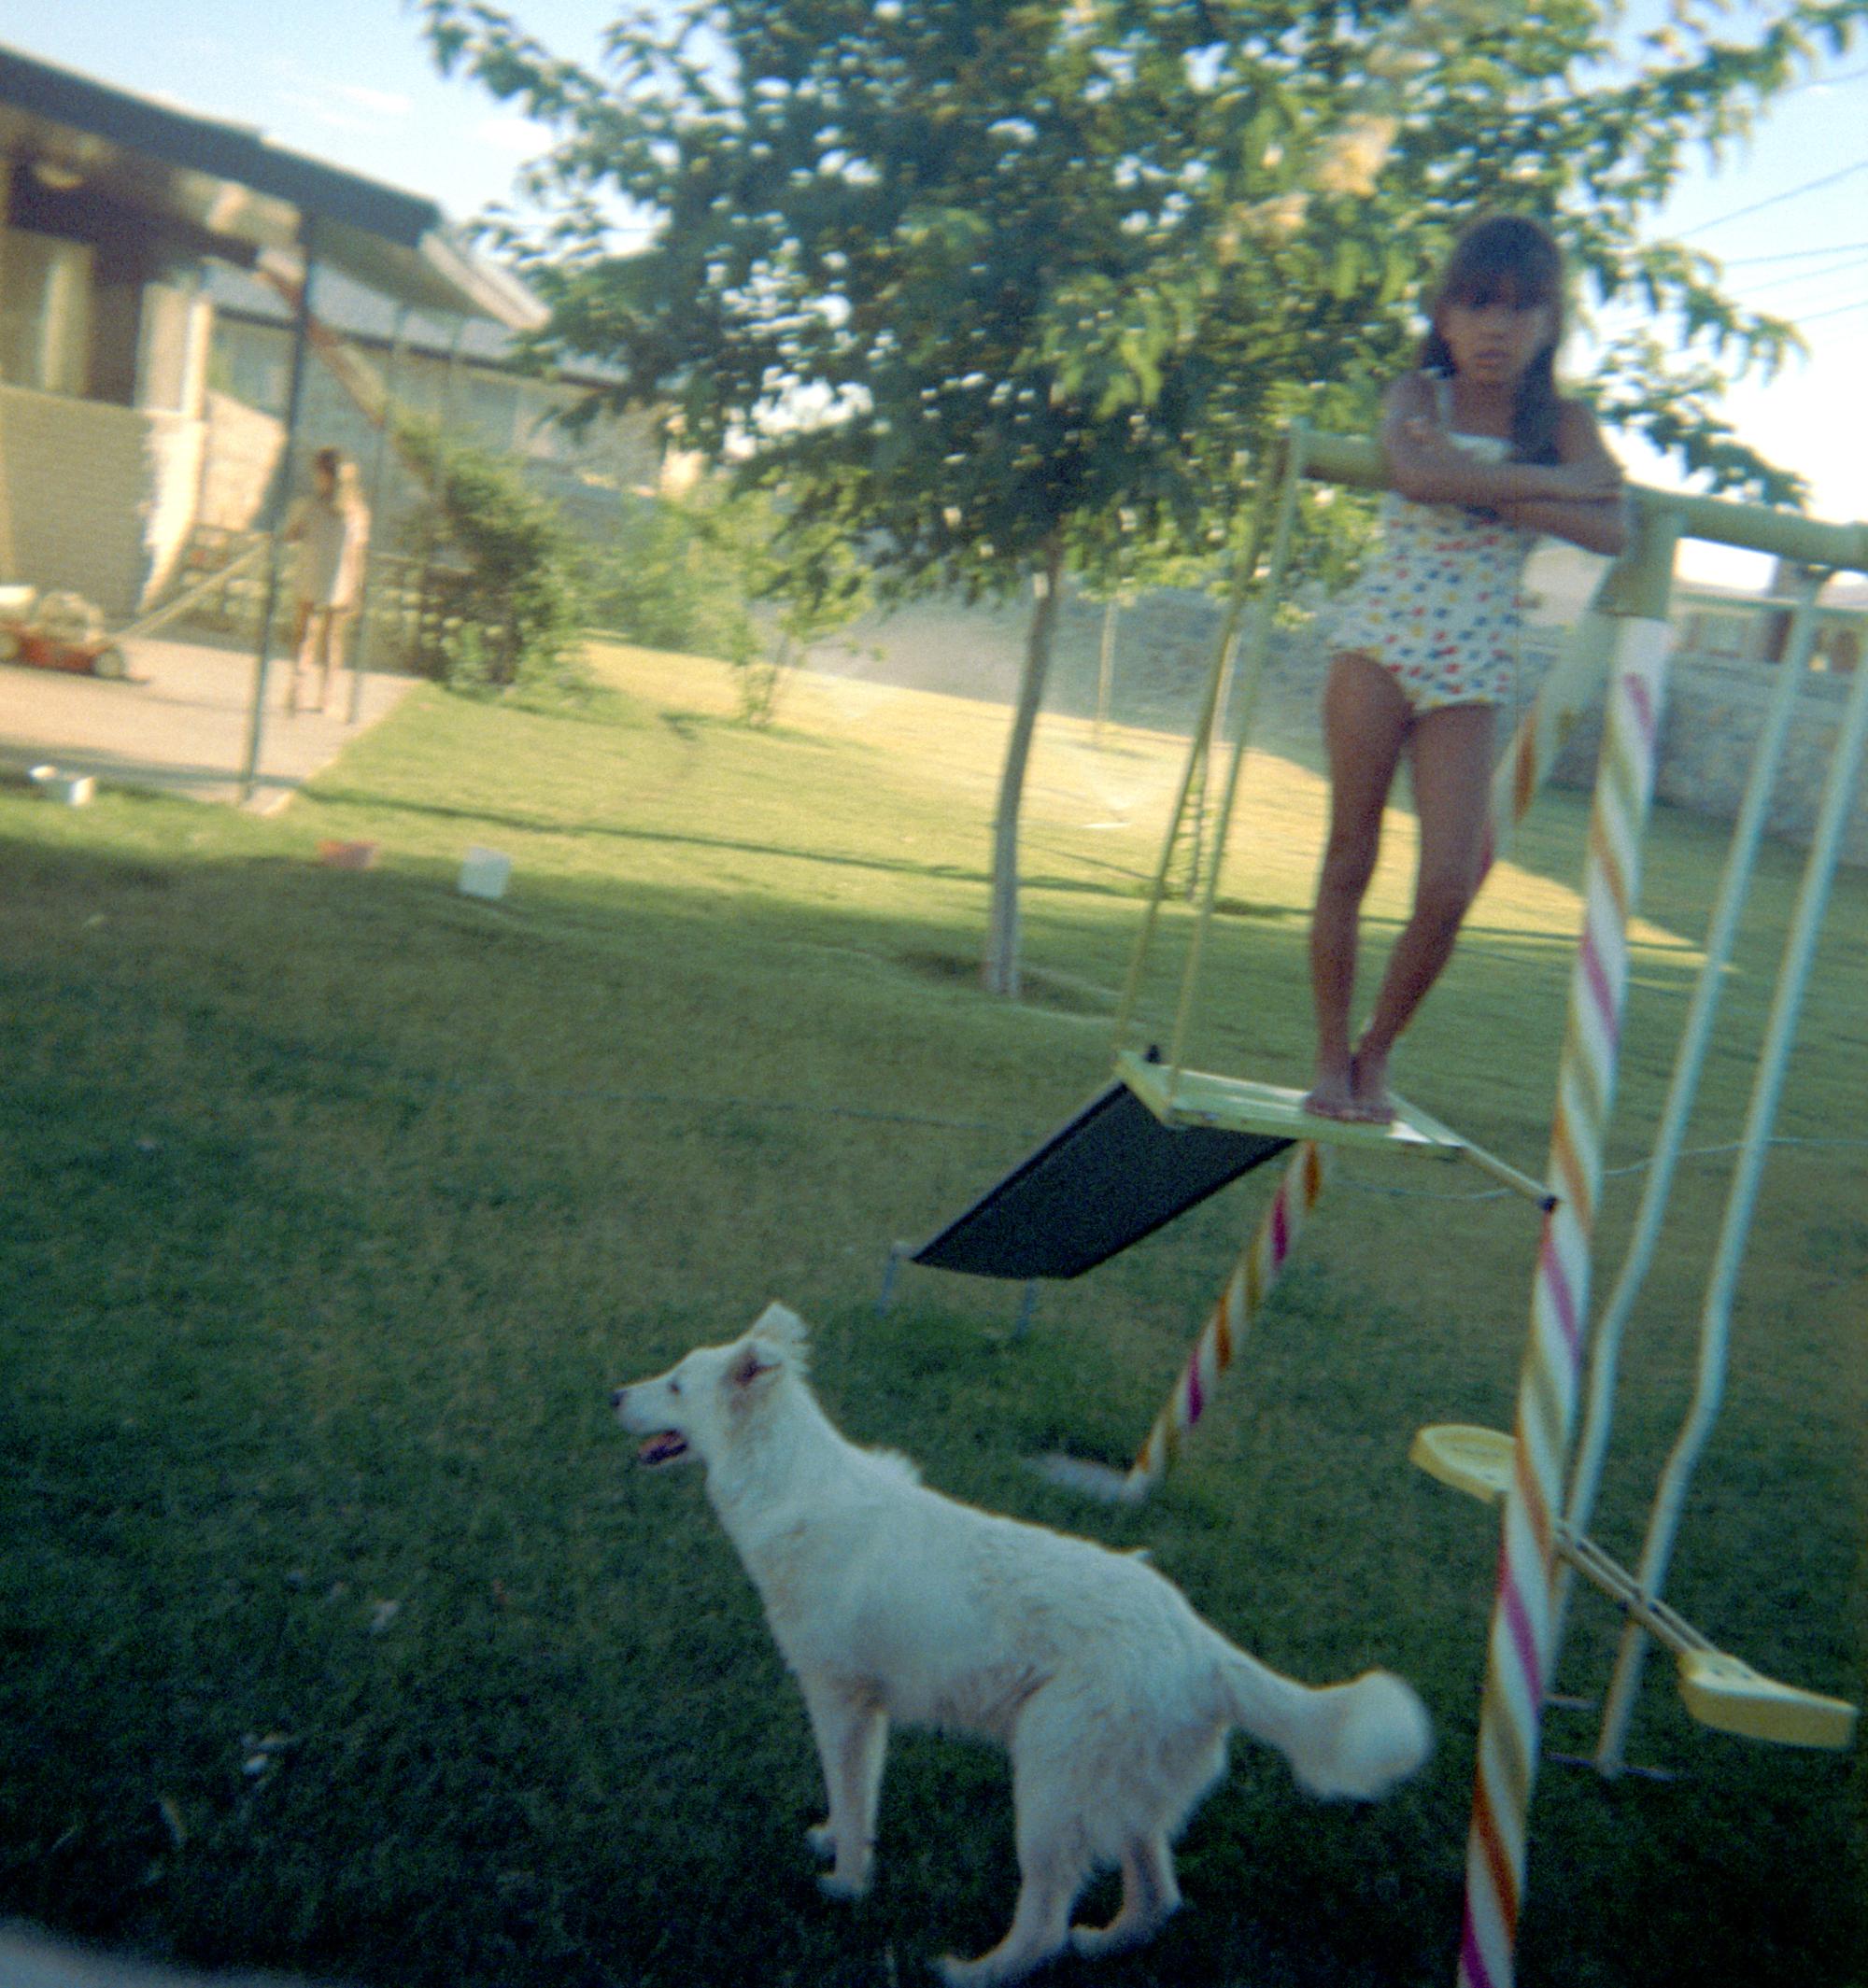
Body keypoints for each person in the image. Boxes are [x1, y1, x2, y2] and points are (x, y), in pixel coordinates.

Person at [1302, 214, 1629, 1124]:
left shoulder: (1560, 421)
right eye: (1477, 305)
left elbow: (1614, 530)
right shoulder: (1417, 392)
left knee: (1450, 879)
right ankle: (1329, 1058)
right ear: (1443, 315)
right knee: (1347, 855)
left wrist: (1479, 477)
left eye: (1521, 310)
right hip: (1379, 645)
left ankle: (1376, 1053)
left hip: (1469, 665)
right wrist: (1549, 487)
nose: (1496, 327)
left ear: (1548, 326)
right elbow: (1415, 477)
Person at [284, 447, 371, 714]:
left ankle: (314, 691)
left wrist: (357, 587)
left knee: (319, 636)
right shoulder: (326, 507)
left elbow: (356, 552)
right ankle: (311, 692)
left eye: (320, 473)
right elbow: (291, 534)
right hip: (325, 575)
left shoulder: (345, 510)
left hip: (328, 576)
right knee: (318, 636)